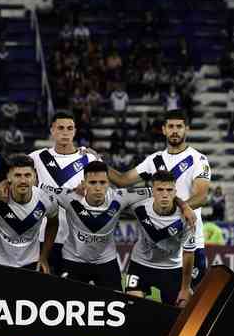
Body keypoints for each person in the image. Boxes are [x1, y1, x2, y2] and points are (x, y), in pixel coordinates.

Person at [107, 109, 211, 288]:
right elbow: (122, 180)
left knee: (187, 303)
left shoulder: (198, 160)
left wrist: (184, 206)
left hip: (189, 240)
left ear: (187, 129)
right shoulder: (154, 160)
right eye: (171, 126)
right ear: (164, 130)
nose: (175, 130)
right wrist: (96, 162)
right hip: (159, 242)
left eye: (179, 126)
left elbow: (201, 196)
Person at [42, 161, 154, 291]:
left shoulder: (120, 197)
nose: (98, 187)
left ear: (109, 184)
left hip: (106, 262)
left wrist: (183, 205)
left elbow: (159, 191)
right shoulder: (69, 196)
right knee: (67, 304)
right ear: (84, 184)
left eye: (102, 182)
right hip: (73, 260)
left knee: (118, 303)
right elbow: (39, 186)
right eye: (92, 182)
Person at [28, 110, 99, 274]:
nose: (65, 132)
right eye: (60, 128)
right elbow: (11, 175)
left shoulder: (89, 159)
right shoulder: (37, 158)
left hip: (77, 238)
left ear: (75, 131)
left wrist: (89, 193)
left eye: (69, 128)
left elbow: (105, 195)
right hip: (43, 236)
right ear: (52, 130)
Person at [125, 171, 197, 307]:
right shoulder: (138, 206)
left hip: (171, 268)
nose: (165, 194)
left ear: (175, 192)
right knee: (133, 308)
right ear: (152, 191)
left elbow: (188, 253)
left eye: (169, 190)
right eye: (160, 189)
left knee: (180, 312)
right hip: (141, 264)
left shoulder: (187, 218)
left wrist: (185, 288)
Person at [0, 155, 59, 272]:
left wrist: (43, 257)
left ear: (34, 177)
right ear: (8, 177)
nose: (23, 181)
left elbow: (53, 224)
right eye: (17, 175)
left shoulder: (47, 200)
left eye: (27, 175)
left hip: (31, 263)